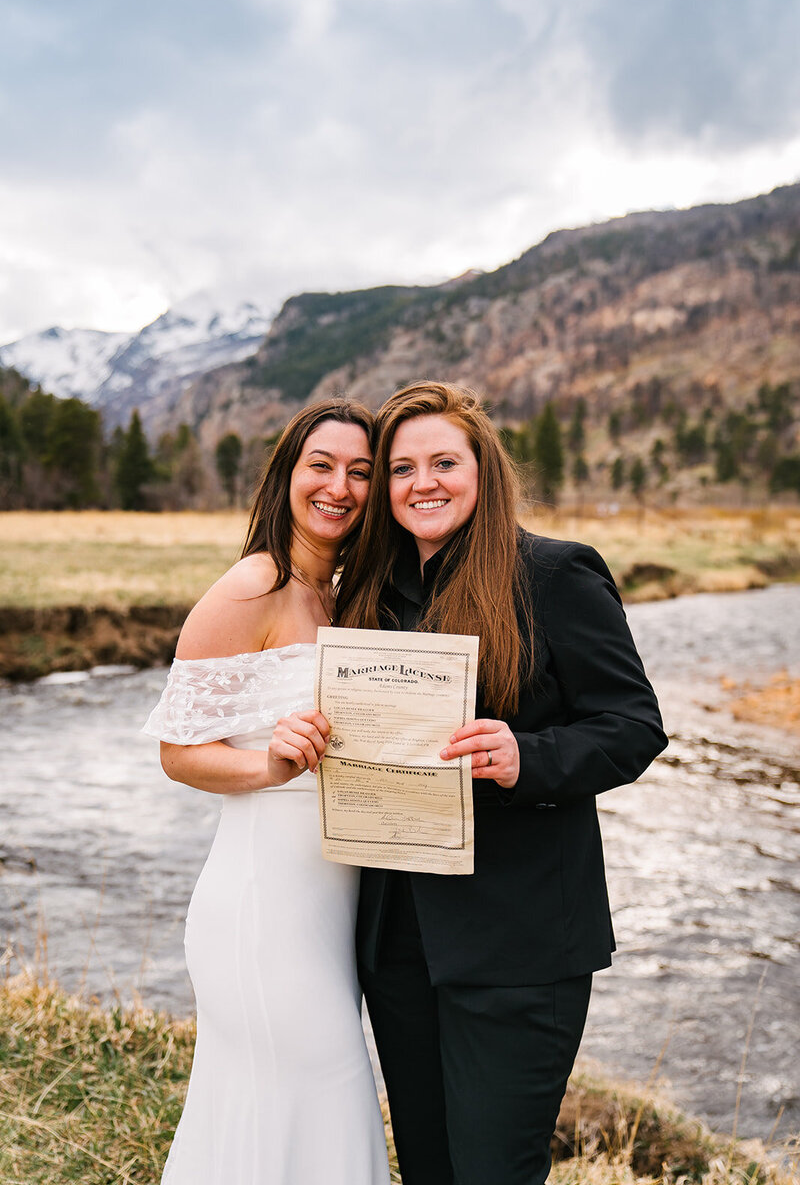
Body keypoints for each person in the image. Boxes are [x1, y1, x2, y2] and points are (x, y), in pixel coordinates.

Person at [336, 381, 668, 1185]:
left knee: (493, 1172)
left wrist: (531, 757)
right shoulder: (368, 592)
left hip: (520, 946)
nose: (425, 483)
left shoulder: (554, 575)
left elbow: (633, 725)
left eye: (444, 461)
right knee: (428, 1166)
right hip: (398, 944)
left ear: (483, 470)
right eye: (402, 467)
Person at [142, 399, 390, 1185]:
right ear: (287, 473)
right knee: (325, 1096)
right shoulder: (255, 585)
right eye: (322, 465)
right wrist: (269, 769)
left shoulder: (343, 596)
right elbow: (179, 752)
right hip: (262, 912)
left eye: (361, 471)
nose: (340, 487)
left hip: (330, 911)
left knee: (283, 1121)